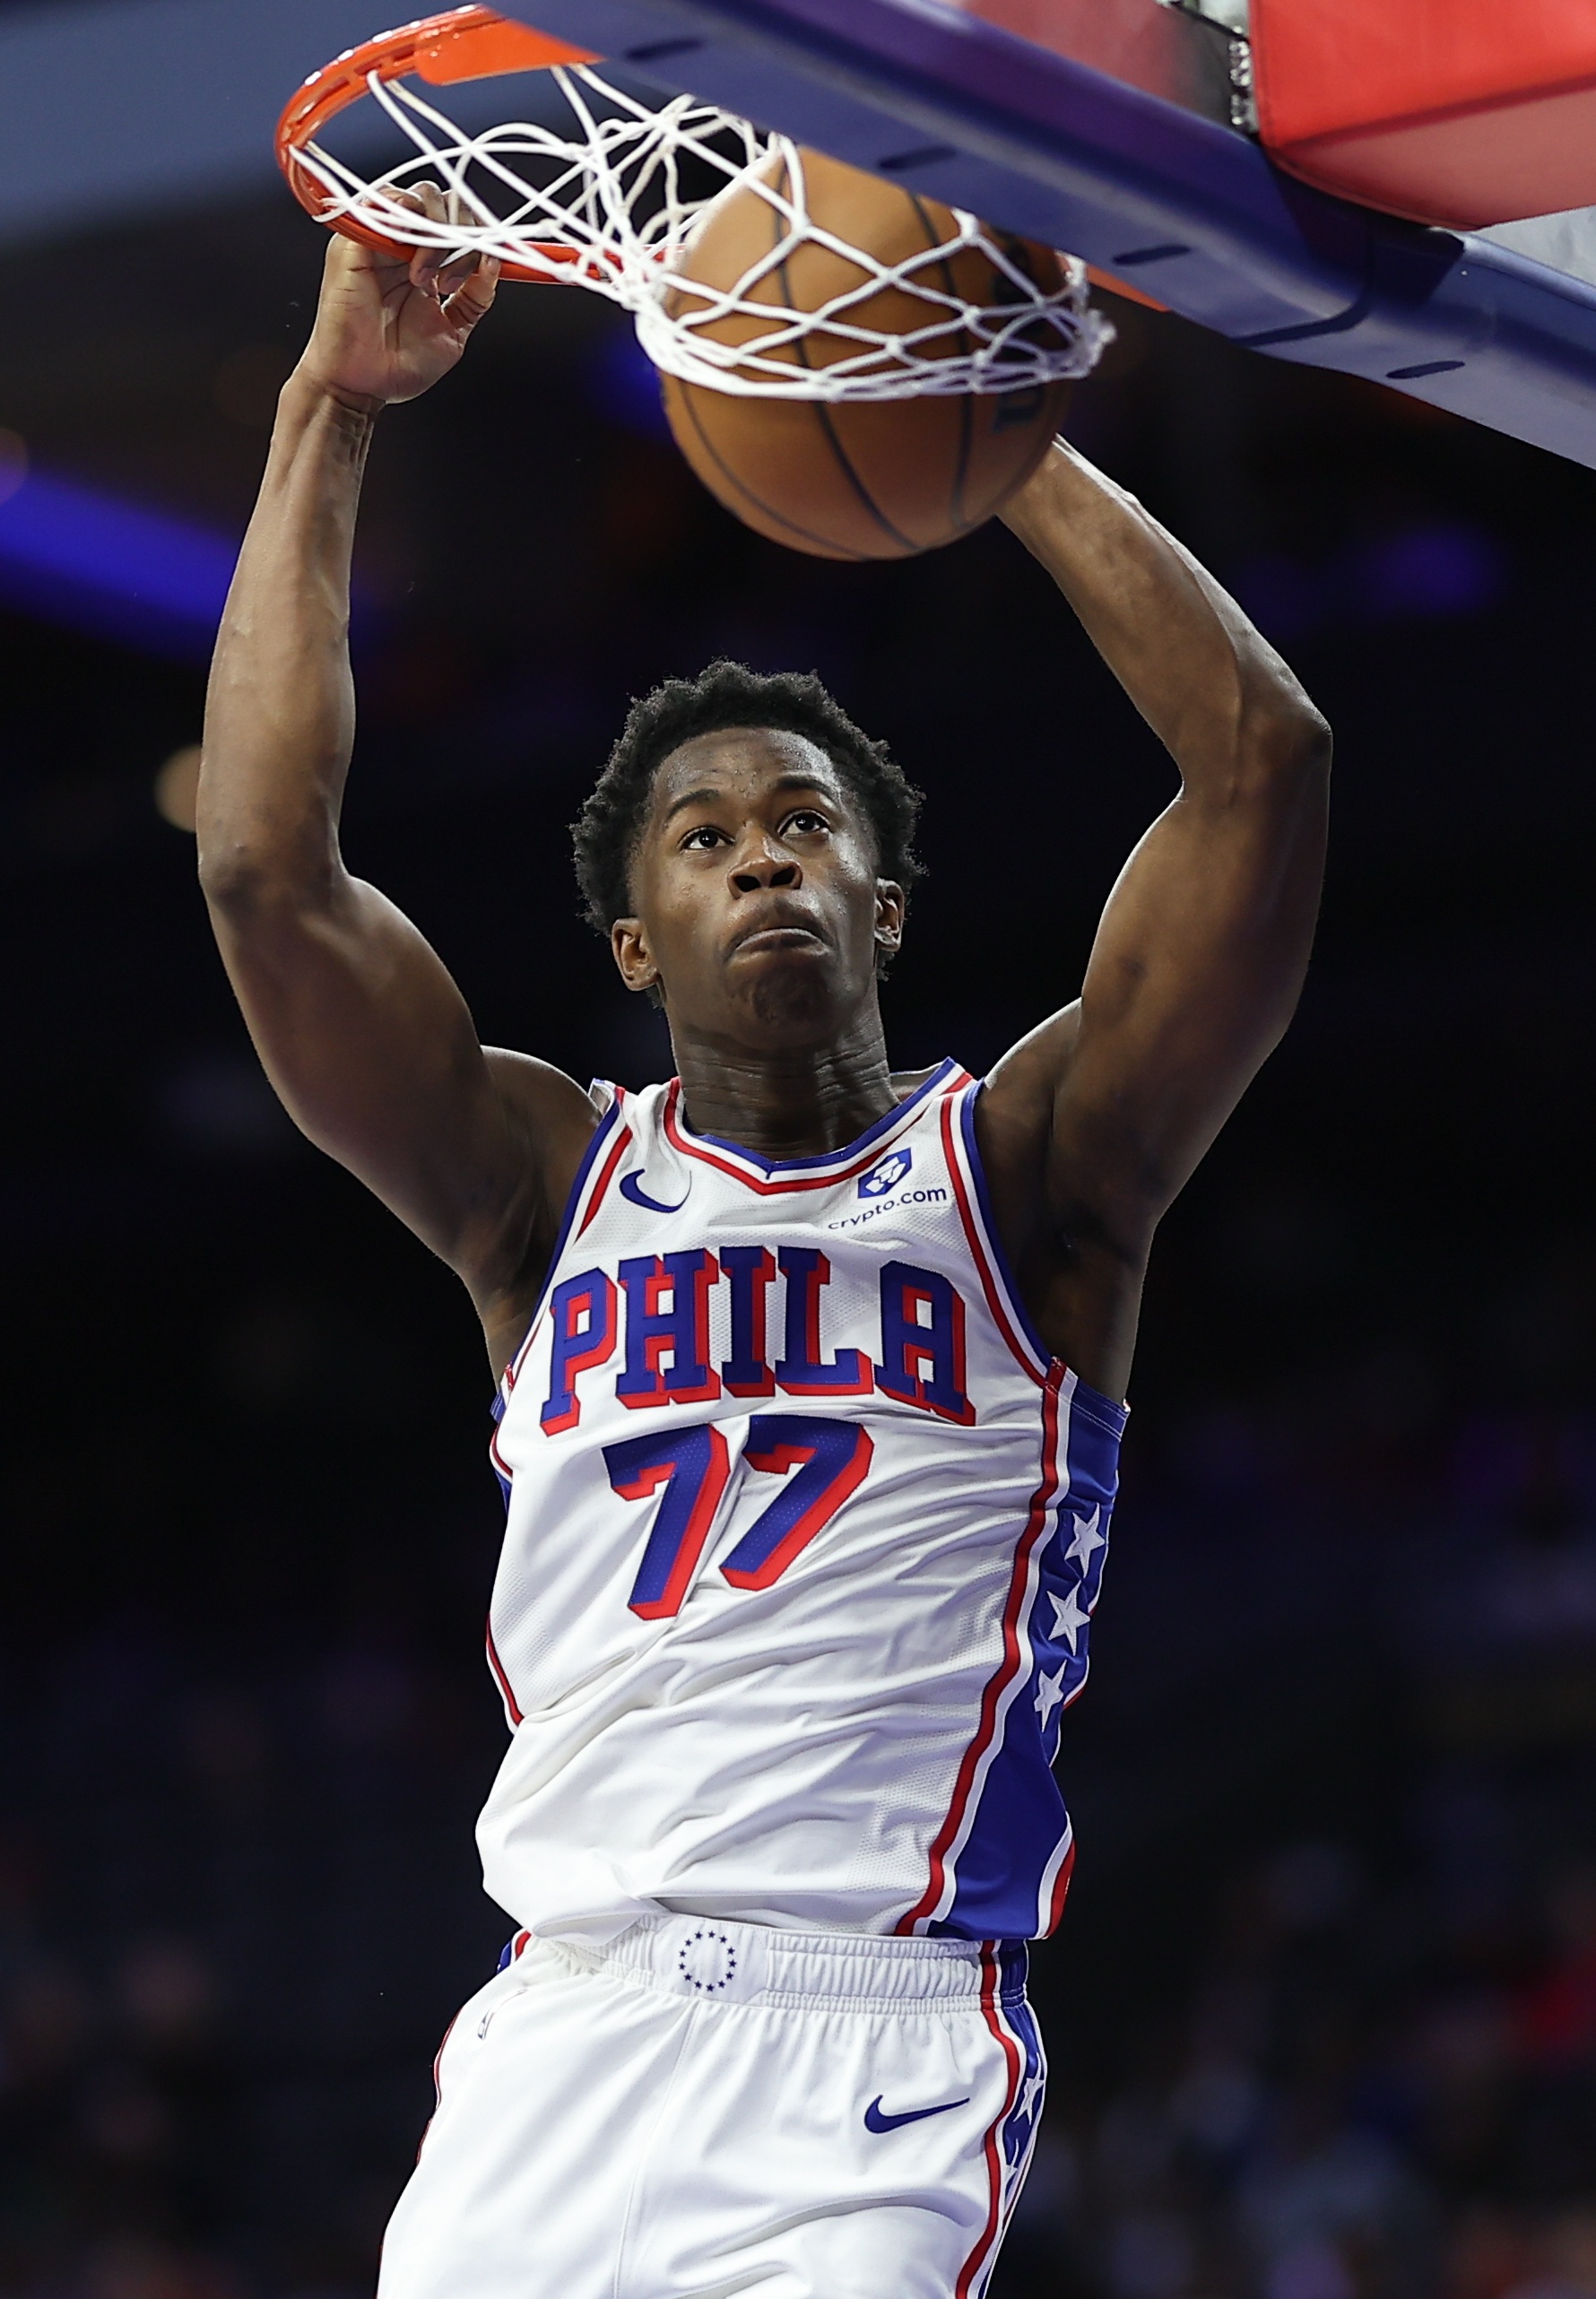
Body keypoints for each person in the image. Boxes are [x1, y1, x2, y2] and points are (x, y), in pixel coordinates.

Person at [197, 213, 1330, 2299]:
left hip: (864, 2038)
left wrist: (981, 433)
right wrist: (327, 409)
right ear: (639, 946)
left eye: (807, 825)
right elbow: (268, 873)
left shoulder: (1033, 1172)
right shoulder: (541, 1184)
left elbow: (1264, 771)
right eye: (706, 840)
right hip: (557, 2037)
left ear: (882, 907)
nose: (762, 860)